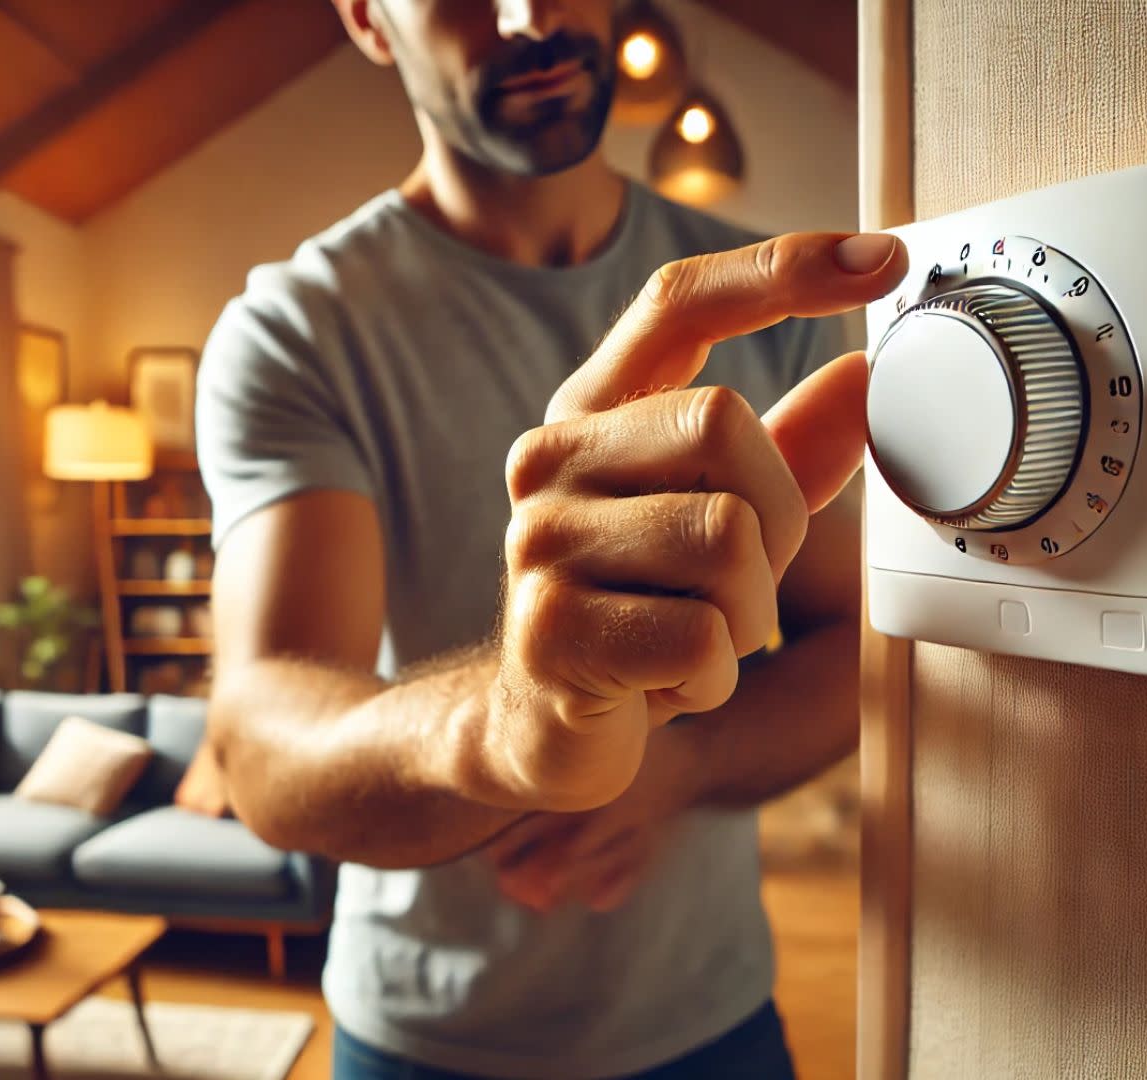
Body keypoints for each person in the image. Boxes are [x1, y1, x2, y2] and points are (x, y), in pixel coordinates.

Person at [194, 1, 906, 1076]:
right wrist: (516, 732)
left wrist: (675, 765)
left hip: (711, 1018)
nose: (531, 15)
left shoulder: (769, 305)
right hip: (423, 1036)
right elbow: (260, 744)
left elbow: (855, 646)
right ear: (367, 20)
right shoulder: (298, 329)